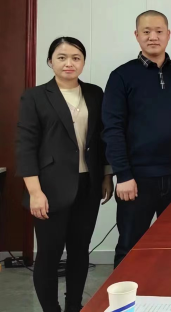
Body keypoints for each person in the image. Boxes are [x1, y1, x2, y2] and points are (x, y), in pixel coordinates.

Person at [16, 37, 113, 312]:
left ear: (83, 62)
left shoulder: (95, 93)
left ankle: (74, 306)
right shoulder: (35, 96)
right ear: (50, 61)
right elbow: (25, 146)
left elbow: (103, 138)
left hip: (88, 184)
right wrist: (35, 192)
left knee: (80, 251)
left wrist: (107, 175)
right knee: (49, 254)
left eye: (76, 58)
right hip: (49, 188)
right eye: (61, 57)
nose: (69, 63)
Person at [102, 10, 171, 268]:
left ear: (168, 35)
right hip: (137, 179)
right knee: (130, 248)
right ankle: (127, 295)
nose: (153, 37)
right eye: (146, 31)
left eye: (159, 31)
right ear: (136, 35)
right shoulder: (121, 76)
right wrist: (123, 174)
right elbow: (112, 128)